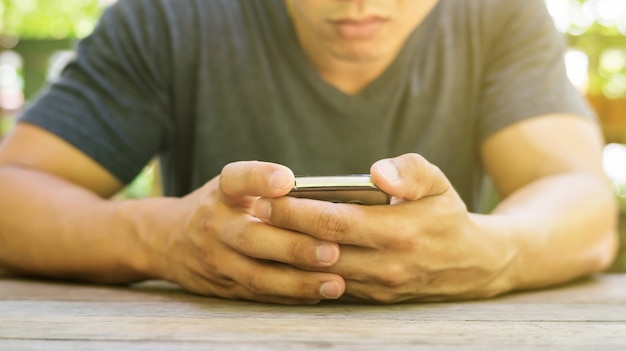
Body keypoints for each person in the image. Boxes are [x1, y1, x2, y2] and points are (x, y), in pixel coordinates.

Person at [0, 0, 618, 305]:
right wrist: (157, 236)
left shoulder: (497, 14)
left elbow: (582, 201)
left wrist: (493, 253)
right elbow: (12, 192)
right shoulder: (168, 16)